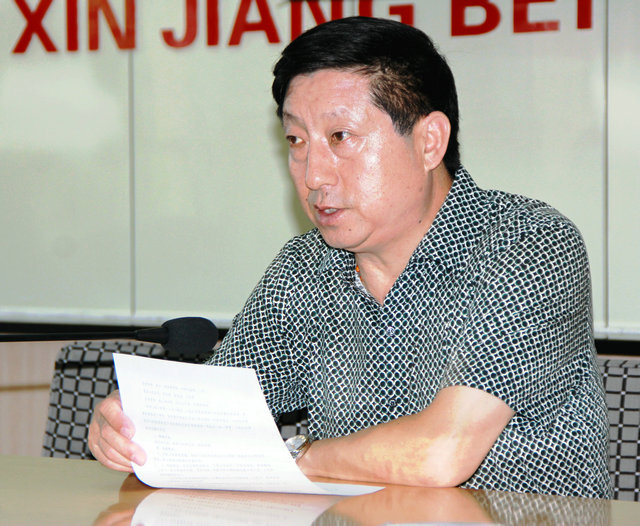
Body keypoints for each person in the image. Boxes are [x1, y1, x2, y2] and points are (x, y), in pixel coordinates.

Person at [89, 16, 612, 498]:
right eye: (296, 140)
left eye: (341, 137)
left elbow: (440, 453)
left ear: (429, 141)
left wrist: (298, 458)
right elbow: (207, 422)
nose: (313, 173)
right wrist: (136, 428)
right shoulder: (303, 269)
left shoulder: (529, 244)